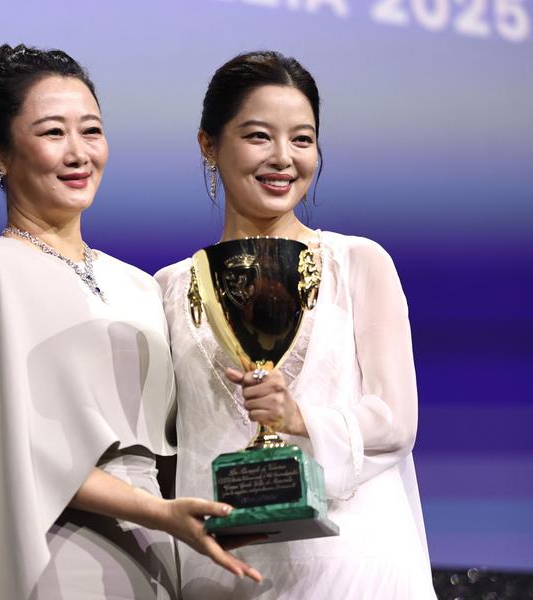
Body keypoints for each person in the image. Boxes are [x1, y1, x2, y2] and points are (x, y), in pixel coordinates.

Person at [0, 44, 260, 600]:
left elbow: (177, 443)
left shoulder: (139, 284)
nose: (79, 153)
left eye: (92, 131)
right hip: (56, 550)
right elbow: (12, 446)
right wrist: (158, 511)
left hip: (162, 550)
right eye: (53, 133)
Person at [155, 51, 436, 599]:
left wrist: (299, 416)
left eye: (303, 140)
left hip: (345, 565)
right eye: (259, 136)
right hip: (222, 569)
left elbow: (397, 421)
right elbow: (170, 449)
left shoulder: (356, 262)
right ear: (208, 145)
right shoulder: (169, 287)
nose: (284, 158)